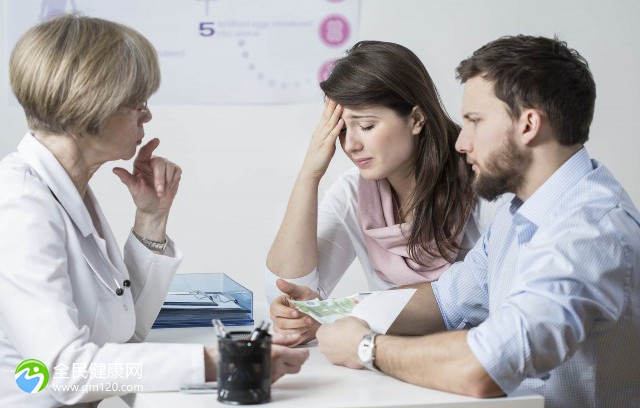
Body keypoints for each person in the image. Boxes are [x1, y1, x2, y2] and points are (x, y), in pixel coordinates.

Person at [315, 35, 640, 408]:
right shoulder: (520, 214)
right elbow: (444, 299)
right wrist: (330, 316)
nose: (461, 142)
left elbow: (485, 368)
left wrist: (364, 348)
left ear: (529, 124)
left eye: (474, 121)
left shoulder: (588, 230)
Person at [0, 15, 308, 408]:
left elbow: (127, 333)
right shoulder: (19, 207)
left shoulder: (66, 192)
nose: (147, 116)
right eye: (137, 103)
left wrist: (152, 217)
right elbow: (66, 373)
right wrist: (218, 361)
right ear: (86, 106)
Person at [266, 41, 509, 345]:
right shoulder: (354, 193)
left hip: (470, 371)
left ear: (417, 119)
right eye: (342, 129)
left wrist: (340, 316)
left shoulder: (485, 188)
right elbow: (285, 290)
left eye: (366, 126)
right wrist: (309, 174)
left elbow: (496, 300)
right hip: (387, 372)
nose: (351, 144)